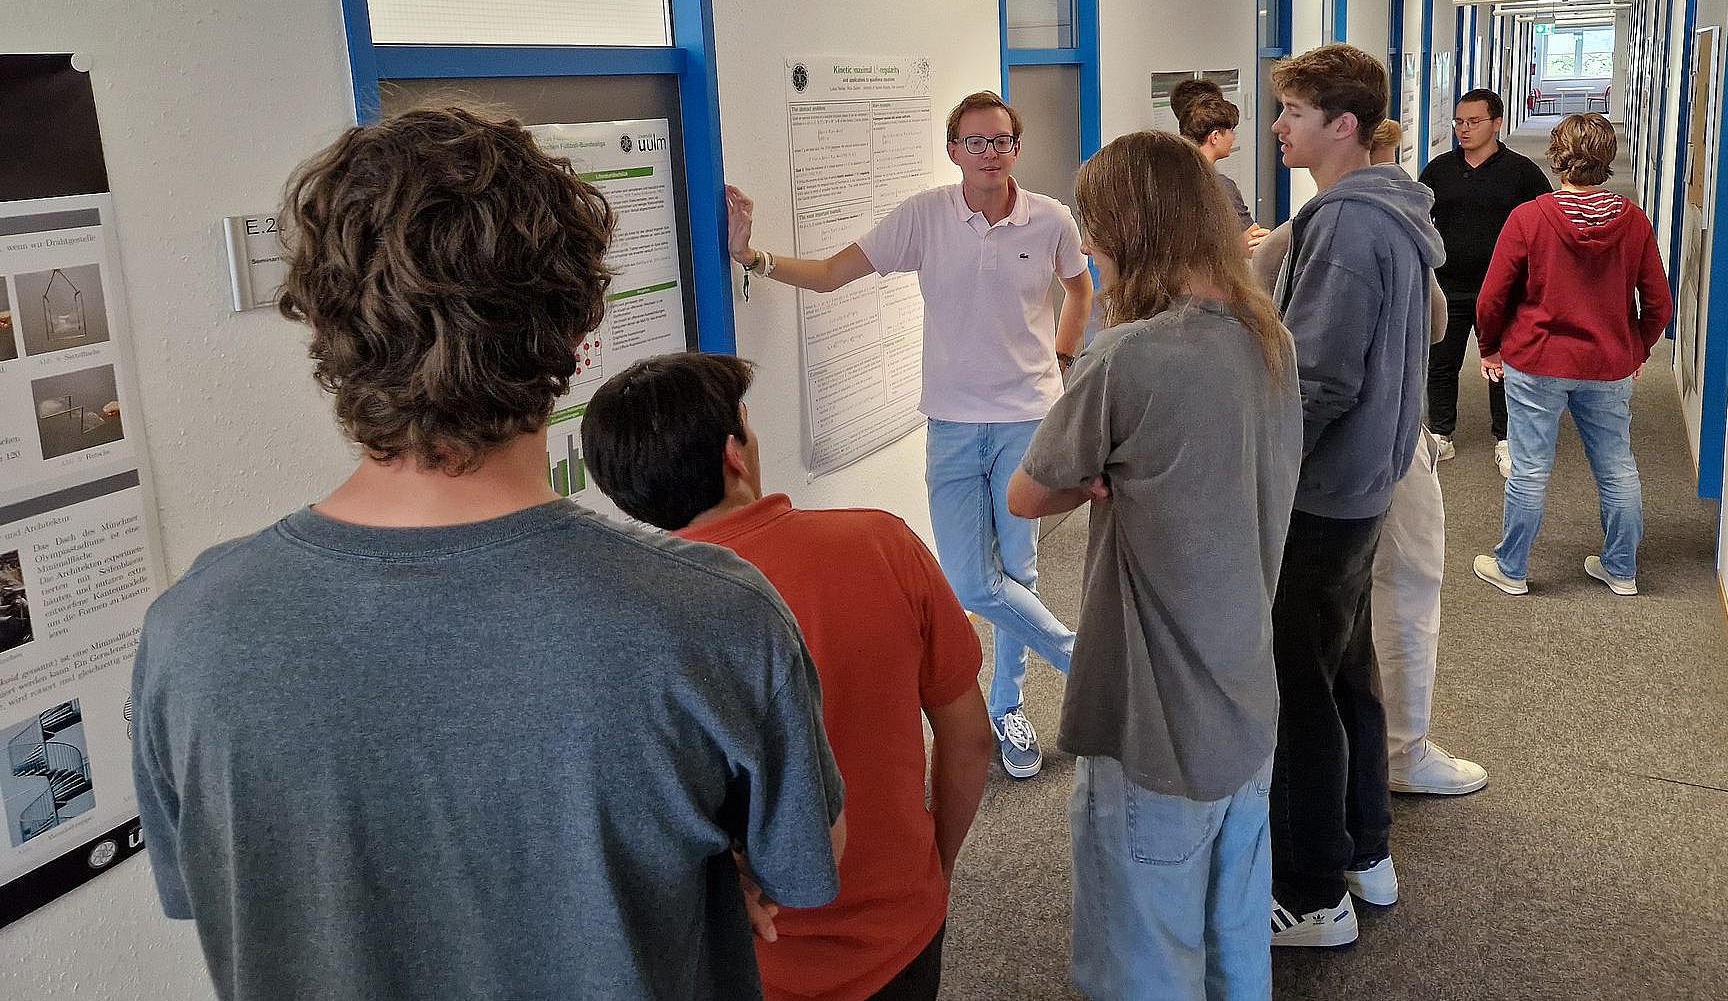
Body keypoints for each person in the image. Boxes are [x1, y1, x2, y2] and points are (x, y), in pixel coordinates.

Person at [130, 107, 847, 1001]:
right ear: (579, 327)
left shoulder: (191, 630)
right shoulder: (712, 613)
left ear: (323, 322)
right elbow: (806, 868)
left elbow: (229, 899)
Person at [580, 352, 997, 1001]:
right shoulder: (884, 544)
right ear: (734, 456)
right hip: (900, 936)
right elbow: (970, 741)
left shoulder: (626, 627)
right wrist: (934, 868)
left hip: (744, 965)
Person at [1007, 129, 1301, 999]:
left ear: (1132, 230)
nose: (1087, 247)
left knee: (1142, 957)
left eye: (1094, 228)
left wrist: (1101, 476)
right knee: (1234, 940)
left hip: (1156, 715)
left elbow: (1030, 492)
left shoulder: (1129, 356)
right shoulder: (1267, 336)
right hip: (1246, 694)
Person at [726, 91, 1091, 780]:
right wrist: (754, 258)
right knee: (968, 581)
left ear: (1017, 147)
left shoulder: (1050, 218)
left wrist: (1064, 357)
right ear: (953, 150)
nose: (989, 152)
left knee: (1019, 570)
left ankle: (1007, 707)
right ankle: (1083, 659)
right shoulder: (926, 216)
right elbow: (835, 274)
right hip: (952, 424)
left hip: (1026, 418)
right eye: (975, 141)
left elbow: (1079, 288)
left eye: (1001, 141)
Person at [1265, 44, 1445, 947]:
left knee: (1298, 688)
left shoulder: (1344, 225)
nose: (1276, 128)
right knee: (1344, 674)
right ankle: (1366, 848)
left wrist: (1258, 471)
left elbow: (1318, 381)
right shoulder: (1389, 211)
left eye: (1292, 114)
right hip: (1361, 489)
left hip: (1323, 495)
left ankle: (1309, 894)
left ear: (1342, 125)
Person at [1254, 118, 1488, 798]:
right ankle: (1392, 756)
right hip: (1373, 442)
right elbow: (1435, 325)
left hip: (1355, 446)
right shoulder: (1354, 225)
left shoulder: (1323, 226)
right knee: (1373, 605)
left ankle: (1383, 759)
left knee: (1354, 609)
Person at [1473, 113, 1673, 598]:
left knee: (1530, 467)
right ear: (1606, 159)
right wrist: (1637, 348)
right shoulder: (1632, 220)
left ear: (1558, 157)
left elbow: (1492, 296)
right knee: (1616, 465)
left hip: (1537, 359)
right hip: (1607, 363)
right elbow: (1660, 302)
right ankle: (1621, 569)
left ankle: (1513, 568)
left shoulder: (1530, 217)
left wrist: (1490, 347)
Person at [1419, 87, 1554, 476]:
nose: (1464, 129)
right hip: (1448, 285)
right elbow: (1420, 218)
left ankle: (1506, 437)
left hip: (1504, 290)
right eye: (1459, 122)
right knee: (1441, 363)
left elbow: (1543, 225)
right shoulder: (1440, 169)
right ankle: (1441, 433)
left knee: (1502, 365)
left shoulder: (1522, 172)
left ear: (1496, 123)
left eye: (1474, 122)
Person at [1171, 77, 1271, 250]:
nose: (1234, 137)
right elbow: (1251, 243)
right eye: (1231, 130)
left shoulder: (1164, 175)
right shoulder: (1219, 186)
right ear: (1215, 136)